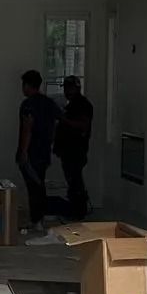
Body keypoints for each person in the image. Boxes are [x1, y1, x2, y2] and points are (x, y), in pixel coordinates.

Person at [15, 69, 63, 230]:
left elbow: (27, 128)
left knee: (34, 187)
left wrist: (23, 152)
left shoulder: (28, 105)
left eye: (24, 85)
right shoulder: (49, 103)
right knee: (39, 184)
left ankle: (37, 220)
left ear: (28, 85)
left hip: (32, 153)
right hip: (44, 151)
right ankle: (39, 218)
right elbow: (60, 121)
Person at [55, 75, 94, 220]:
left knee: (75, 180)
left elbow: (83, 125)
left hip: (76, 150)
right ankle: (75, 210)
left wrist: (64, 119)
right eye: (65, 88)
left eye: (68, 88)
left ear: (75, 88)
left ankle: (78, 212)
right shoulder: (70, 105)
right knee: (72, 180)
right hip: (68, 150)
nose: (66, 91)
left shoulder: (83, 105)